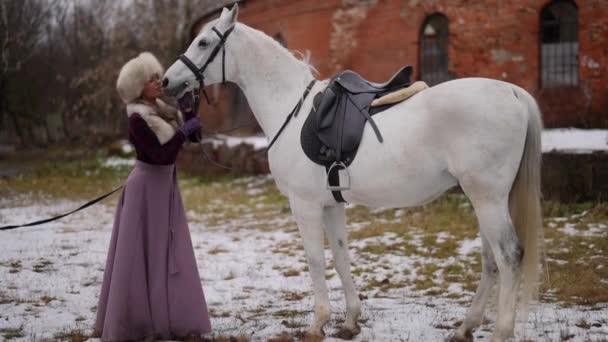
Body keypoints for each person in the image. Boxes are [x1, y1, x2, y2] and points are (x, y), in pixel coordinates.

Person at [94, 52, 211, 341]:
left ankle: (168, 316)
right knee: (141, 255)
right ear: (137, 88)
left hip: (164, 189)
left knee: (167, 252)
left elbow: (193, 138)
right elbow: (160, 155)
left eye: (158, 77)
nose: (158, 82)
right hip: (145, 191)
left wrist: (191, 115)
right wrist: (182, 132)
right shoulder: (137, 119)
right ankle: (137, 322)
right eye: (151, 80)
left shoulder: (161, 110)